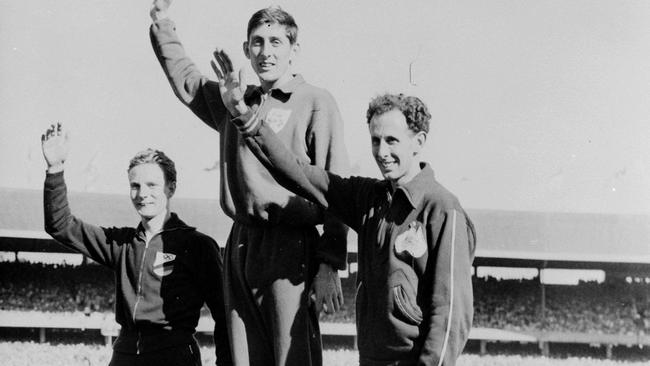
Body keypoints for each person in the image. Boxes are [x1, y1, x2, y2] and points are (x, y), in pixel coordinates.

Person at [215, 71, 477, 365]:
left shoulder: (442, 209)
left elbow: (452, 314)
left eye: (392, 141)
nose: (382, 152)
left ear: (418, 141)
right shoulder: (369, 199)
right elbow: (297, 171)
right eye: (375, 141)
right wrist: (244, 116)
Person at [149, 2, 349, 365]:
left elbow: (337, 189)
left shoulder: (315, 102)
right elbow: (187, 79)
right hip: (241, 242)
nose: (266, 51)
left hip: (290, 245)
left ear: (294, 50)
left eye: (276, 42)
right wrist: (162, 23)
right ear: (246, 50)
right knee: (242, 357)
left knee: (291, 357)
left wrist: (329, 263)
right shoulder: (235, 99)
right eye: (257, 42)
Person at [41, 123, 232, 366]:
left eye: (152, 185)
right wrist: (54, 169)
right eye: (135, 186)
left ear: (171, 188)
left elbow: (224, 314)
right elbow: (61, 225)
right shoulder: (121, 243)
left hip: (175, 356)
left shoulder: (197, 245)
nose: (142, 194)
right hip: (125, 355)